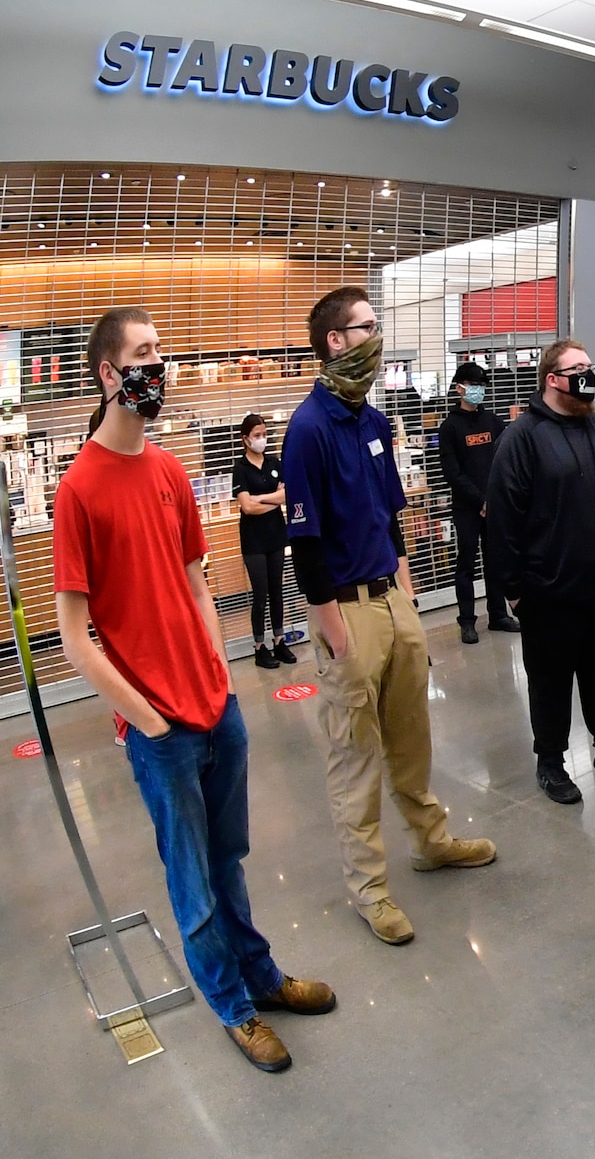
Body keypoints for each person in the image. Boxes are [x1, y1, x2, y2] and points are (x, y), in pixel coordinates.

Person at [55, 307, 335, 1073]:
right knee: (193, 877)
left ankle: (262, 976)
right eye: (145, 354)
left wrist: (220, 674)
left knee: (231, 856)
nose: (160, 366)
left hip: (217, 706)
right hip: (159, 730)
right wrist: (145, 718)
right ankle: (232, 1005)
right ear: (111, 373)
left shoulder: (172, 472)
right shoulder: (78, 489)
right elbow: (76, 634)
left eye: (161, 351)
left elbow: (195, 583)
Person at [286, 287, 495, 946]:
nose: (375, 337)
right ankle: (369, 886)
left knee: (412, 734)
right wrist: (334, 629)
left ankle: (432, 841)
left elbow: (391, 516)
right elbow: (306, 543)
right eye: (364, 327)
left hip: (391, 598)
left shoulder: (374, 423)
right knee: (356, 753)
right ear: (334, 342)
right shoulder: (308, 429)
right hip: (346, 609)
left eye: (378, 325)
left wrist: (404, 592)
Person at [485, 339, 595, 806]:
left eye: (591, 365)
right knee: (550, 680)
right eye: (577, 368)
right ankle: (551, 761)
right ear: (552, 378)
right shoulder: (522, 438)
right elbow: (503, 518)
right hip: (548, 592)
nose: (588, 374)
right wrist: (514, 590)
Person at [436, 361, 519, 646]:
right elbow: (452, 473)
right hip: (467, 508)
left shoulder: (493, 422)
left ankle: (498, 615)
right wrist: (480, 499)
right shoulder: (449, 428)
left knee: (496, 562)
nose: (478, 391)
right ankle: (467, 622)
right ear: (459, 388)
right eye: (473, 386)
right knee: (466, 564)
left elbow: (505, 461)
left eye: (482, 387)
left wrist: (496, 498)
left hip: (494, 507)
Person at [232, 413, 296, 670]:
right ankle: (260, 647)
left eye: (264, 434)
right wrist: (270, 498)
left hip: (275, 535)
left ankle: (279, 639)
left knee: (277, 589)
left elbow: (287, 497)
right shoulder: (241, 469)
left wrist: (260, 499)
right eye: (257, 436)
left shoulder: (274, 462)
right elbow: (246, 507)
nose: (262, 439)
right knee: (260, 594)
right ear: (245, 439)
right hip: (253, 539)